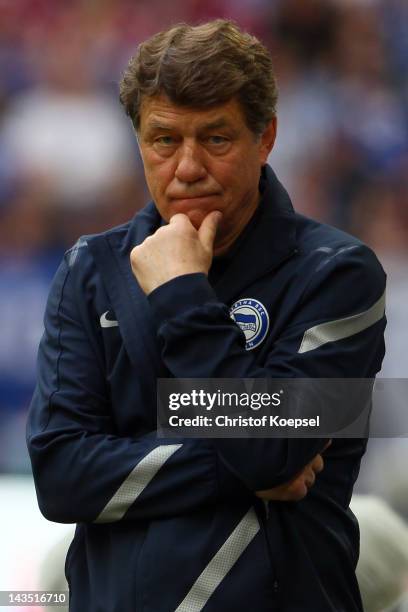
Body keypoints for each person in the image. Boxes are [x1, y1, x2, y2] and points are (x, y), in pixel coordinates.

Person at [27, 20, 386, 612]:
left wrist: (182, 293)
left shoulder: (340, 274)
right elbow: (62, 477)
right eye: (164, 140)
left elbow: (271, 451)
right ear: (139, 140)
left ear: (266, 137)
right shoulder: (89, 270)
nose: (187, 168)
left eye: (215, 139)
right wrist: (238, 461)